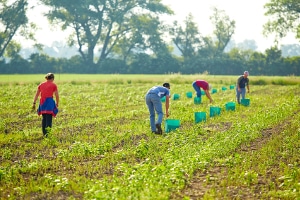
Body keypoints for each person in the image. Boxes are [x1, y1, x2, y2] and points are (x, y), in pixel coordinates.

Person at [32, 73, 59, 137]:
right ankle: (48, 135)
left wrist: (34, 103)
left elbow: (37, 94)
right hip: (49, 103)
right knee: (49, 119)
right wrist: (57, 103)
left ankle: (44, 134)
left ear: (46, 78)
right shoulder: (53, 85)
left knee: (44, 119)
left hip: (42, 103)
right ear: (52, 78)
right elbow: (57, 95)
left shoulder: (41, 85)